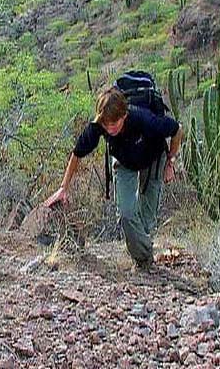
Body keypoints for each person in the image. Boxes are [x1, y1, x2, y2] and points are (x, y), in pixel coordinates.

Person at [43, 86, 183, 269]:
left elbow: (177, 129)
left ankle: (142, 259)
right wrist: (63, 188)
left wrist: (170, 161)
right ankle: (144, 260)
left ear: (124, 115)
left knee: (147, 222)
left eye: (114, 124)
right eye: (106, 124)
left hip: (153, 159)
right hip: (124, 161)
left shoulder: (145, 120)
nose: (110, 129)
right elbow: (77, 153)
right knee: (126, 214)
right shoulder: (100, 125)